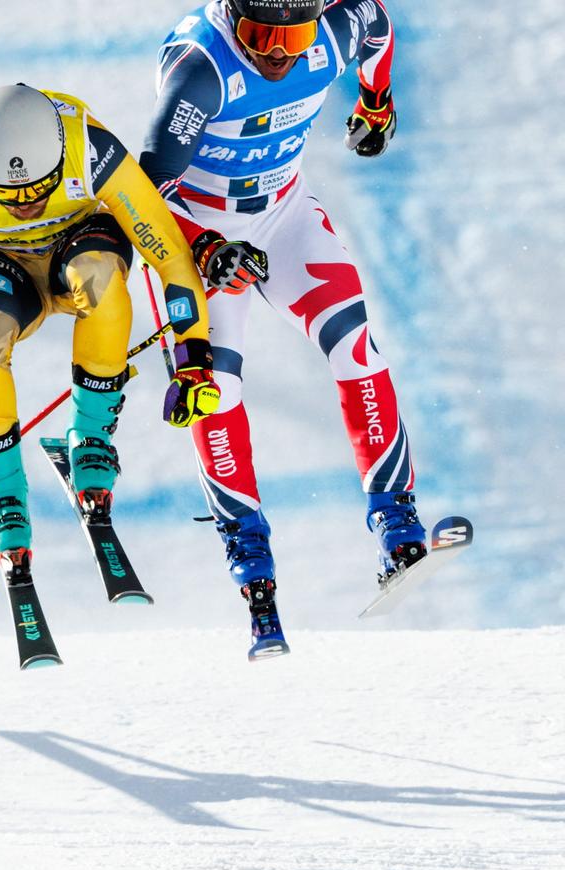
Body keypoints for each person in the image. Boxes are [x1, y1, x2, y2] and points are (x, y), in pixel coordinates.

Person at [138, 0, 422, 657]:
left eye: (291, 36)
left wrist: (376, 102)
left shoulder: (329, 31)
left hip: (282, 214)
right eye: (262, 35)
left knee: (355, 346)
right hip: (194, 235)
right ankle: (251, 563)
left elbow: (375, 21)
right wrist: (205, 247)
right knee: (216, 391)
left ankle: (397, 523)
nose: (278, 53)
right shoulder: (201, 66)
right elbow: (141, 192)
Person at [0, 83, 221, 596]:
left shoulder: (90, 147)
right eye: (9, 194)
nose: (27, 203)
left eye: (39, 187)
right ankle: (2, 491)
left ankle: (91, 435)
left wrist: (194, 358)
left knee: (101, 280)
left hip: (80, 239)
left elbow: (168, 253)